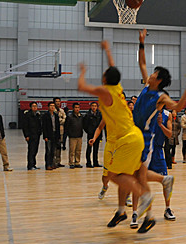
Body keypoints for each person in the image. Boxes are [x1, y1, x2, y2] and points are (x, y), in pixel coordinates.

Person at [77, 48, 155, 232]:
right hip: (132, 137)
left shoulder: (105, 91)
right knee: (123, 175)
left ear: (105, 78)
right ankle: (122, 211)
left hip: (128, 140)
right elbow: (113, 67)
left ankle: (144, 197)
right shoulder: (117, 87)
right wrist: (107, 50)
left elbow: (82, 87)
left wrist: (82, 72)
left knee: (113, 175)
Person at [127, 31, 186, 230]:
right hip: (134, 135)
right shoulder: (146, 86)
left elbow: (178, 107)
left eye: (153, 74)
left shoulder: (161, 97)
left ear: (158, 80)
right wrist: (141, 42)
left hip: (145, 139)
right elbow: (142, 63)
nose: (149, 74)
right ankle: (163, 182)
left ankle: (146, 206)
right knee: (135, 174)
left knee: (137, 174)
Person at [22, 101, 42, 170]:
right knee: (31, 150)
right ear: (30, 107)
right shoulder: (27, 115)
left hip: (37, 135)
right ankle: (30, 165)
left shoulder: (37, 115)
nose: (35, 108)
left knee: (35, 150)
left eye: (36, 106)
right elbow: (25, 126)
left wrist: (40, 132)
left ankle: (34, 164)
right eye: (33, 106)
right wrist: (26, 135)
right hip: (30, 135)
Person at [83, 101, 103, 168]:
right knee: (89, 149)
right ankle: (88, 163)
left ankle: (95, 162)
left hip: (97, 135)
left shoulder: (99, 115)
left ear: (97, 107)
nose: (94, 107)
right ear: (90, 107)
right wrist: (89, 131)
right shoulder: (87, 115)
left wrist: (100, 135)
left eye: (95, 106)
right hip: (90, 135)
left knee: (96, 149)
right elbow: (85, 125)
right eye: (93, 106)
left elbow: (101, 126)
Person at [41, 102, 60, 171]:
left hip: (55, 135)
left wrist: (58, 136)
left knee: (53, 151)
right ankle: (48, 165)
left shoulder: (56, 115)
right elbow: (44, 127)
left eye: (53, 106)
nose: (52, 107)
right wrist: (45, 136)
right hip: (48, 135)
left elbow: (58, 126)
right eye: (51, 106)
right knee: (48, 151)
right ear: (48, 107)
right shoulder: (45, 116)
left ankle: (52, 164)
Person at [65, 103, 84, 168]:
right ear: (73, 108)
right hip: (72, 136)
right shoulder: (69, 117)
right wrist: (69, 134)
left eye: (78, 107)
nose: (77, 109)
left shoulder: (81, 116)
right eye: (76, 107)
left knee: (78, 151)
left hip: (79, 136)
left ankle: (77, 162)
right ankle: (71, 163)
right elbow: (66, 126)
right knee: (72, 151)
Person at [52, 97, 66, 167]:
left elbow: (65, 119)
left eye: (59, 101)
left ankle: (58, 162)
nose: (58, 103)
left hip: (61, 131)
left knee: (59, 146)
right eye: (56, 101)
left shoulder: (61, 111)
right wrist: (59, 120)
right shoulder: (52, 110)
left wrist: (59, 121)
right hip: (54, 131)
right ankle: (53, 162)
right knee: (53, 147)